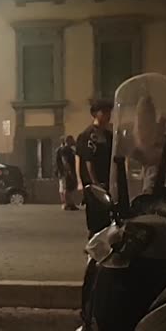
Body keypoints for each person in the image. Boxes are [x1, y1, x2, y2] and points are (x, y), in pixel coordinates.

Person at [76, 99, 114, 234]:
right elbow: (87, 160)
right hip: (95, 187)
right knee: (96, 223)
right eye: (103, 112)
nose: (107, 115)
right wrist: (94, 183)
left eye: (109, 112)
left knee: (109, 220)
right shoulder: (89, 136)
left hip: (108, 182)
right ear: (94, 114)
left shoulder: (109, 136)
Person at [55, 136, 79, 211]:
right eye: (72, 140)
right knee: (67, 187)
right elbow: (64, 160)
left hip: (64, 171)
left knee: (68, 187)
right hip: (65, 172)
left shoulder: (67, 149)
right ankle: (67, 204)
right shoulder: (65, 149)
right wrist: (69, 171)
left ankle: (69, 203)